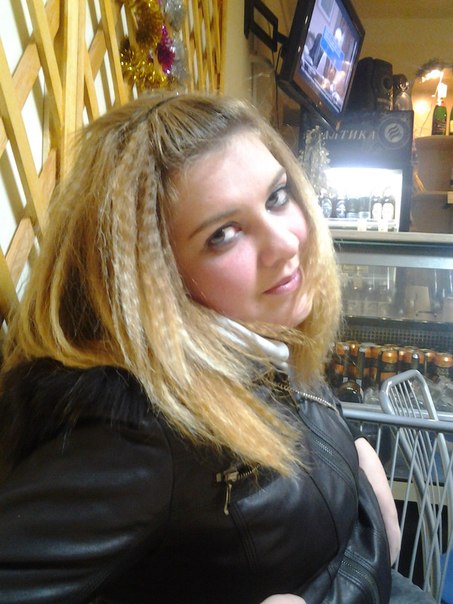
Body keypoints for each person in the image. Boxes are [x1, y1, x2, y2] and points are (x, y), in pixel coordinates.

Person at [0, 93, 435, 603]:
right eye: (223, 234)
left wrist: (364, 495)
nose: (286, 243)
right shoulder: (133, 431)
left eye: (277, 197)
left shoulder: (263, 337)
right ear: (153, 276)